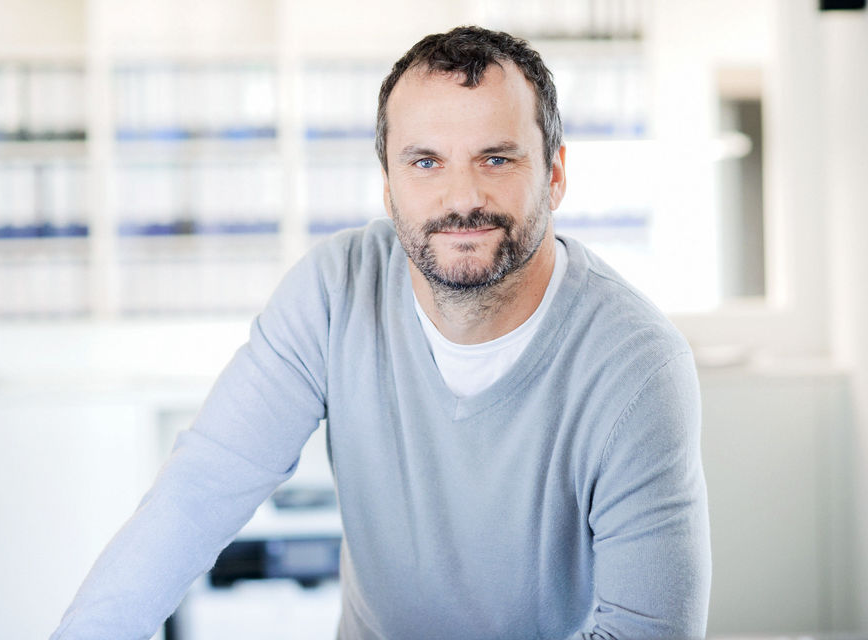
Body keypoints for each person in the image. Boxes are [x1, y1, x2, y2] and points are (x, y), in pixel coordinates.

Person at [52, 25, 711, 639]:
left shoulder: (637, 365)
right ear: (388, 187)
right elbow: (196, 495)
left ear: (555, 174)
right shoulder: (334, 291)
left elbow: (647, 632)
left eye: (496, 159)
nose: (462, 197)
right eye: (425, 162)